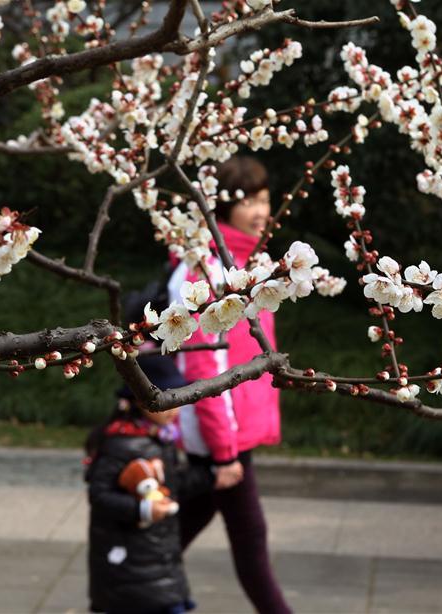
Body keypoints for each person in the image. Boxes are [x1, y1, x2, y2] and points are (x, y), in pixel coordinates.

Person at [171, 155, 292, 614]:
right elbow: (204, 367)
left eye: (265, 199)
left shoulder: (250, 264)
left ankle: (126, 585)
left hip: (234, 426)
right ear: (224, 206)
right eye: (249, 201)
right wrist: (224, 451)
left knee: (184, 525)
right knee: (251, 543)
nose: (261, 210)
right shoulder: (209, 273)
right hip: (223, 430)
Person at [85, 352, 219, 614]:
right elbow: (99, 495)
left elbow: (172, 482)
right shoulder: (121, 443)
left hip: (159, 559)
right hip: (130, 566)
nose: (173, 409)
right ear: (138, 398)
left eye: (177, 399)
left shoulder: (159, 437)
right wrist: (142, 510)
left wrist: (211, 474)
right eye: (164, 400)